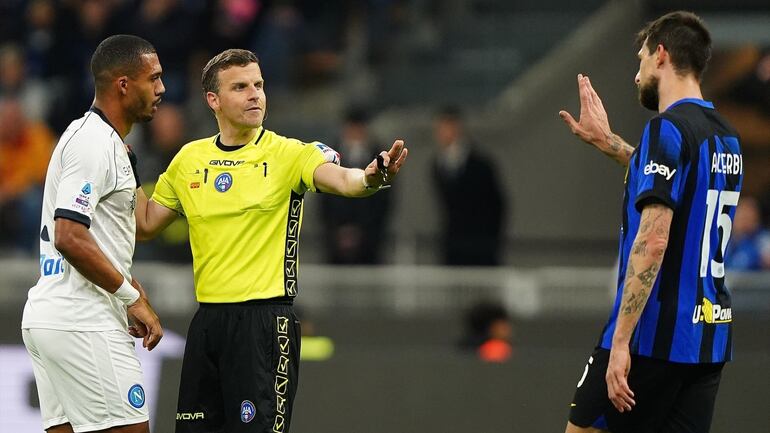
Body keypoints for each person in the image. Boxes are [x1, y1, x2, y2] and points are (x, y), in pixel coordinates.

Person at [132, 49, 408, 433]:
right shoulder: (188, 160)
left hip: (264, 324)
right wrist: (125, 171)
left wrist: (372, 177)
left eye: (259, 85)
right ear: (213, 100)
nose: (255, 95)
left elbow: (346, 180)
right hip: (208, 323)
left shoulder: (289, 154)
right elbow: (145, 225)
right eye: (241, 87)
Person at [559, 11, 741, 433]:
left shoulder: (667, 129)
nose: (636, 74)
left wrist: (621, 342)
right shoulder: (725, 137)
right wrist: (612, 144)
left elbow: (655, 239)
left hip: (652, 337)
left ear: (661, 55)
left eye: (640, 58)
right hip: (708, 340)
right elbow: (683, 179)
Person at [21, 35, 165, 433]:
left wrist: (124, 279)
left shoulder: (104, 143)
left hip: (57, 315)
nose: (161, 89)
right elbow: (69, 236)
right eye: (153, 79)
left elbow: (125, 228)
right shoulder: (92, 144)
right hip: (82, 320)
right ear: (123, 84)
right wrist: (130, 297)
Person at [432, 105, 506, 266]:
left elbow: (497, 205)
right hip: (453, 247)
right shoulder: (437, 165)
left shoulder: (481, 164)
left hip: (480, 248)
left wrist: (489, 242)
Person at [320, 107, 392, 264]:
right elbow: (324, 198)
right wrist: (338, 231)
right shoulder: (329, 156)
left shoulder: (380, 157)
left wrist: (363, 232)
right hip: (335, 243)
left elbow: (384, 200)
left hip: (371, 243)